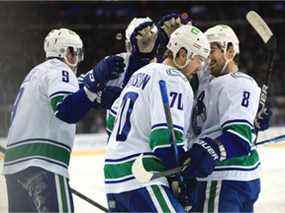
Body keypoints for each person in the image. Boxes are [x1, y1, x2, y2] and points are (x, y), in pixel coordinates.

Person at [3, 28, 124, 212]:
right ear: (66, 52)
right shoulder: (60, 70)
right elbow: (67, 110)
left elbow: (76, 95)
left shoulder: (35, 74)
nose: (78, 60)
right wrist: (93, 86)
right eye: (76, 53)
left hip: (14, 168)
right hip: (44, 162)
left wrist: (95, 94)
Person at [104, 24, 210, 212]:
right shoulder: (174, 79)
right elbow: (165, 141)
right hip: (142, 178)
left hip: (114, 177)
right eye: (199, 58)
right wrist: (183, 176)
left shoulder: (142, 73)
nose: (200, 66)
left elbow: (111, 121)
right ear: (182, 54)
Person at [181, 25, 262, 212]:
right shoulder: (207, 80)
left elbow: (238, 138)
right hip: (224, 177)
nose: (207, 57)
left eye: (213, 49)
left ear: (230, 51)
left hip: (224, 177)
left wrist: (212, 149)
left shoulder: (239, 82)